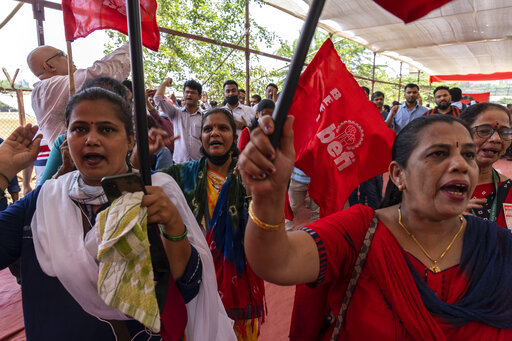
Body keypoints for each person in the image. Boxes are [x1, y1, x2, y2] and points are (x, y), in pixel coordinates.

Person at [238, 113, 512, 339]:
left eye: (468, 155)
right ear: (398, 174)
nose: (460, 165)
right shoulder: (360, 231)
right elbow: (277, 261)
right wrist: (269, 198)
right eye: (438, 154)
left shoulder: (499, 245)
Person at [0, 88, 234, 340]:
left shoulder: (154, 192)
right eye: (79, 129)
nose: (91, 139)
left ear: (130, 139)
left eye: (106, 129)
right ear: (66, 139)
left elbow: (186, 288)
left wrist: (173, 227)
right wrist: (3, 170)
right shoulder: (43, 201)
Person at [158, 108, 265, 340]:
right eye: (208, 129)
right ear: (201, 137)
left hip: (239, 282)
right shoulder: (181, 175)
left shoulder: (250, 173)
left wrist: (252, 193)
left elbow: (267, 225)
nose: (214, 133)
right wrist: (140, 155)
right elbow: (142, 185)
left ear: (234, 137)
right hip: (194, 278)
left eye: (223, 128)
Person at [27, 44, 130, 146]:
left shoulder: (47, 90)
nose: (69, 58)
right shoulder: (47, 88)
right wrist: (132, 43)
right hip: (71, 159)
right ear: (49, 66)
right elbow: (99, 75)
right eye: (62, 54)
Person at [460, 103, 512, 228]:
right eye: (484, 131)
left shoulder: (509, 190)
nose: (496, 139)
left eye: (504, 132)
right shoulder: (435, 187)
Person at [154, 78, 203, 164]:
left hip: (200, 163)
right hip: (179, 163)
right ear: (183, 94)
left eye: (193, 93)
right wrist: (165, 83)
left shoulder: (205, 116)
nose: (189, 95)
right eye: (187, 92)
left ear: (199, 96)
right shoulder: (175, 113)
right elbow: (158, 98)